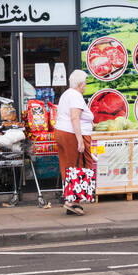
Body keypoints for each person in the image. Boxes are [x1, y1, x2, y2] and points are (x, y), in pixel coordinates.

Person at [54, 69, 94, 215]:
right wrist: (80, 141)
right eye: (85, 83)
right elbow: (74, 117)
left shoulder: (66, 94)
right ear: (80, 84)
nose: (85, 86)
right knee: (77, 166)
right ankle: (72, 202)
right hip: (71, 134)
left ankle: (71, 200)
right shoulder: (76, 96)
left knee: (68, 167)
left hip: (61, 132)